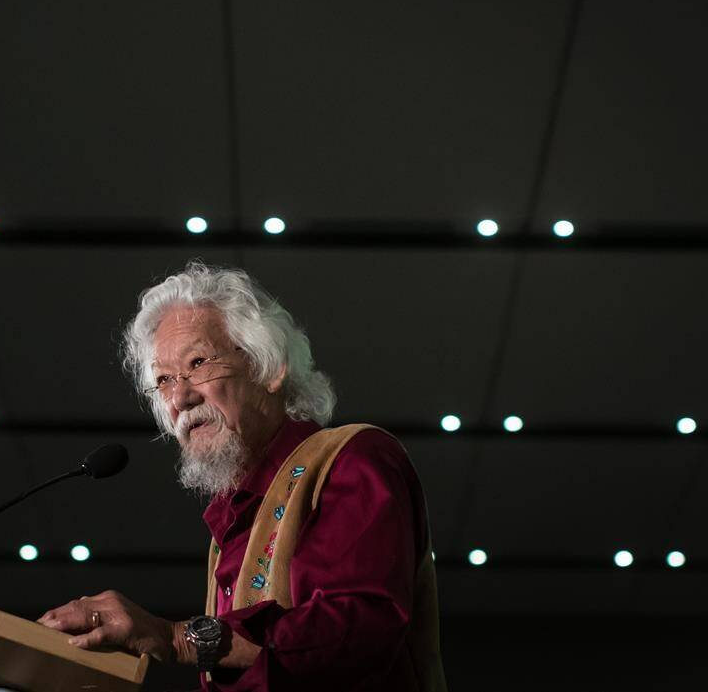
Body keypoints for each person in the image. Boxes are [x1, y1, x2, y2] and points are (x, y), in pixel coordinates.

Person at [37, 261, 446, 690]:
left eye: (197, 363)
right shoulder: (228, 530)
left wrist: (176, 639)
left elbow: (360, 631)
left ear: (269, 369)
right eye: (163, 380)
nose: (180, 396)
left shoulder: (350, 456)